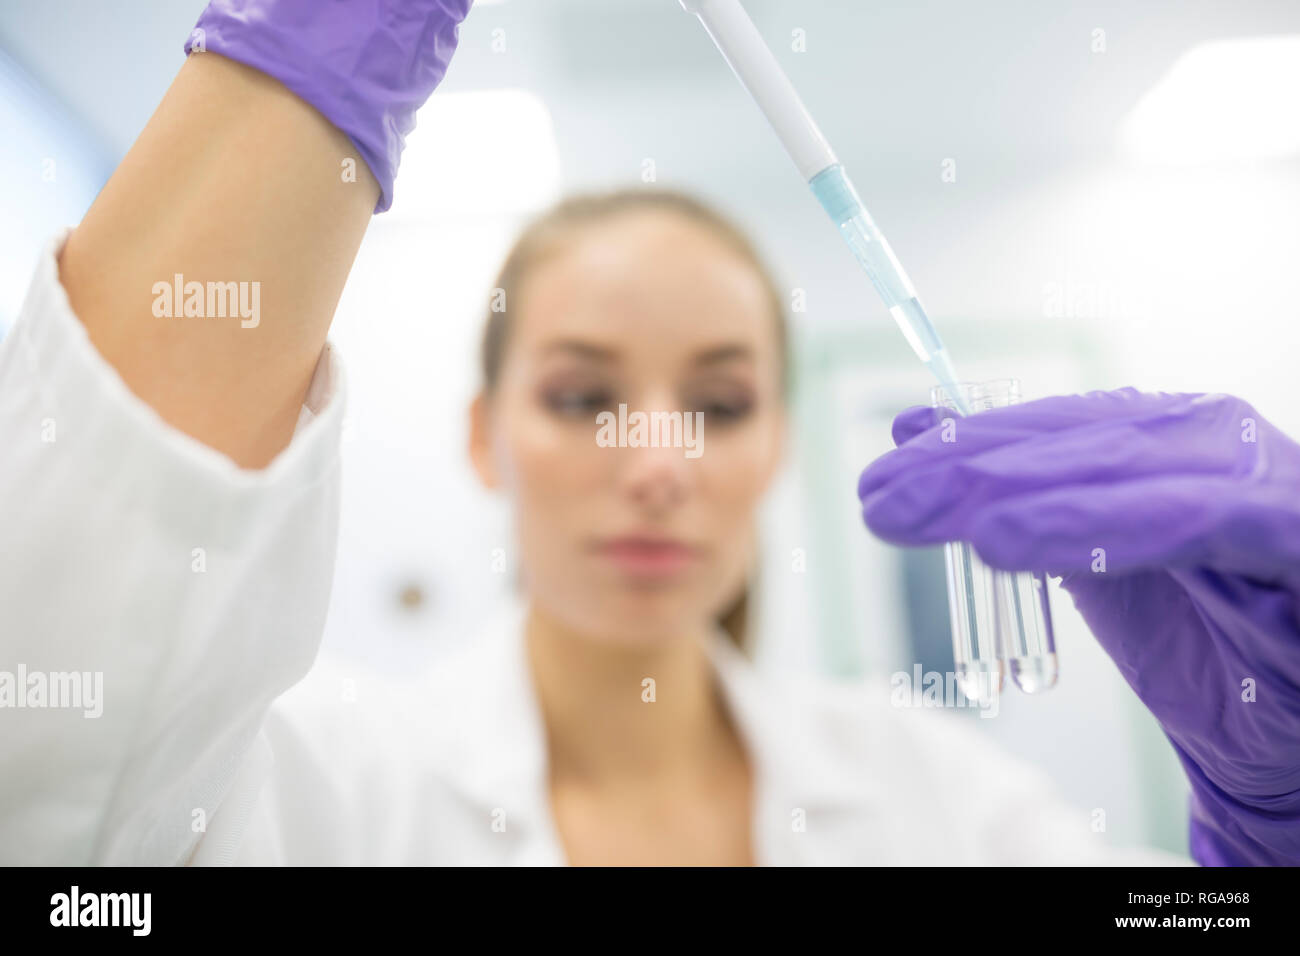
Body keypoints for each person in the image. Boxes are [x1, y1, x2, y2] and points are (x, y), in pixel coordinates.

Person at [1, 0, 1296, 866]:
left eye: (722, 402)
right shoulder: (317, 795)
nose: (660, 461)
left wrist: (1273, 819)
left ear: (778, 446)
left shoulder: (950, 811)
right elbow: (47, 782)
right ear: (480, 440)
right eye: (581, 395)